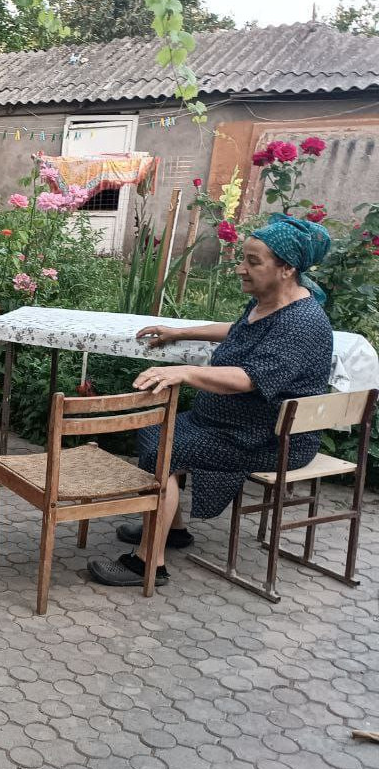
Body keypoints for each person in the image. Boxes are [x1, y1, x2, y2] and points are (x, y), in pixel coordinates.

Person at [88, 213, 334, 587]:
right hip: (224, 426)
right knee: (155, 428)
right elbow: (237, 332)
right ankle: (172, 530)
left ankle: (147, 565)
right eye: (243, 259)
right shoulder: (267, 302)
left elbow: (248, 378)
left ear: (286, 268)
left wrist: (184, 372)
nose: (240, 269)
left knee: (164, 451)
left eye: (253, 262)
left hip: (268, 439)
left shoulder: (302, 322)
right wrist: (179, 332)